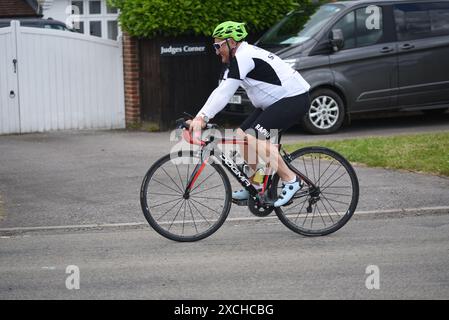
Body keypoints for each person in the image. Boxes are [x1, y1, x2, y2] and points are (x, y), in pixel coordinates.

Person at [189, 21, 311, 207]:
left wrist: (202, 118)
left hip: (294, 98)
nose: (215, 51)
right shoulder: (235, 59)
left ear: (231, 42)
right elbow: (220, 90)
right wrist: (200, 116)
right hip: (273, 103)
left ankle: (291, 180)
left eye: (217, 45)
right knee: (241, 136)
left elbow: (225, 92)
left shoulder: (244, 56)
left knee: (256, 138)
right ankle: (255, 183)